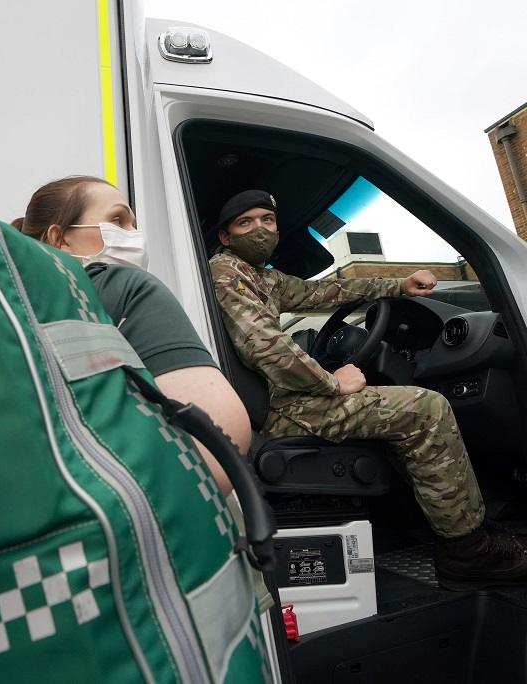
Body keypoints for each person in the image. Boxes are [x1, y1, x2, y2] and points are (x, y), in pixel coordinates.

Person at [209, 189, 527, 589]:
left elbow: (326, 292)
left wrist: (399, 286)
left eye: (267, 220)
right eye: (246, 222)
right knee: (425, 408)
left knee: (401, 413)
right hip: (284, 410)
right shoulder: (227, 272)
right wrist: (331, 381)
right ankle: (466, 551)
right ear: (225, 236)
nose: (260, 229)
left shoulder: (263, 278)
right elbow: (265, 346)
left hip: (283, 400)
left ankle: (457, 525)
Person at [11, 175, 251, 496]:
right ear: (61, 239)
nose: (134, 236)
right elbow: (219, 446)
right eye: (117, 220)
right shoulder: (126, 286)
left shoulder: (10, 305)